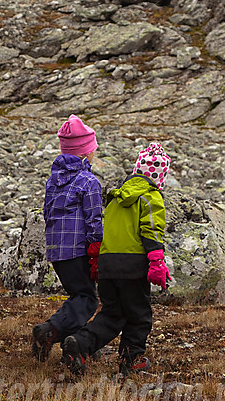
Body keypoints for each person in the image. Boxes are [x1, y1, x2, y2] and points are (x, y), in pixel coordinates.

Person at [61, 142, 172, 378]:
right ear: (160, 176)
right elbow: (151, 229)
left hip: (108, 265)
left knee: (113, 313)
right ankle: (131, 360)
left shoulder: (115, 198)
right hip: (132, 266)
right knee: (139, 315)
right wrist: (156, 261)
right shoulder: (150, 197)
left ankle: (80, 344)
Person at [31, 115, 103, 361]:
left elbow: (46, 211)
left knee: (78, 296)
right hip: (79, 250)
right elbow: (94, 220)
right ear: (85, 153)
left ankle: (75, 349)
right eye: (92, 149)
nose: (94, 153)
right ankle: (51, 330)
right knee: (87, 298)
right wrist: (97, 249)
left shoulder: (54, 179)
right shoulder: (89, 181)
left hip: (56, 250)